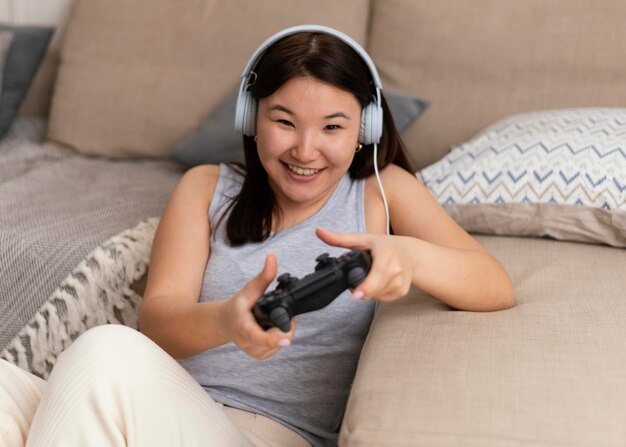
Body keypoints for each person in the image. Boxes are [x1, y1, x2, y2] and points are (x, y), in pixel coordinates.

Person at [0, 25, 515, 447]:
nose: (306, 149)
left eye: (333, 128)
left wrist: (411, 257)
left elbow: (494, 285)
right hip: (168, 409)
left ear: (367, 128)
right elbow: (158, 322)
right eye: (284, 121)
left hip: (269, 435)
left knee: (102, 351)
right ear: (252, 119)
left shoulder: (382, 193)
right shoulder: (205, 188)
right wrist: (227, 320)